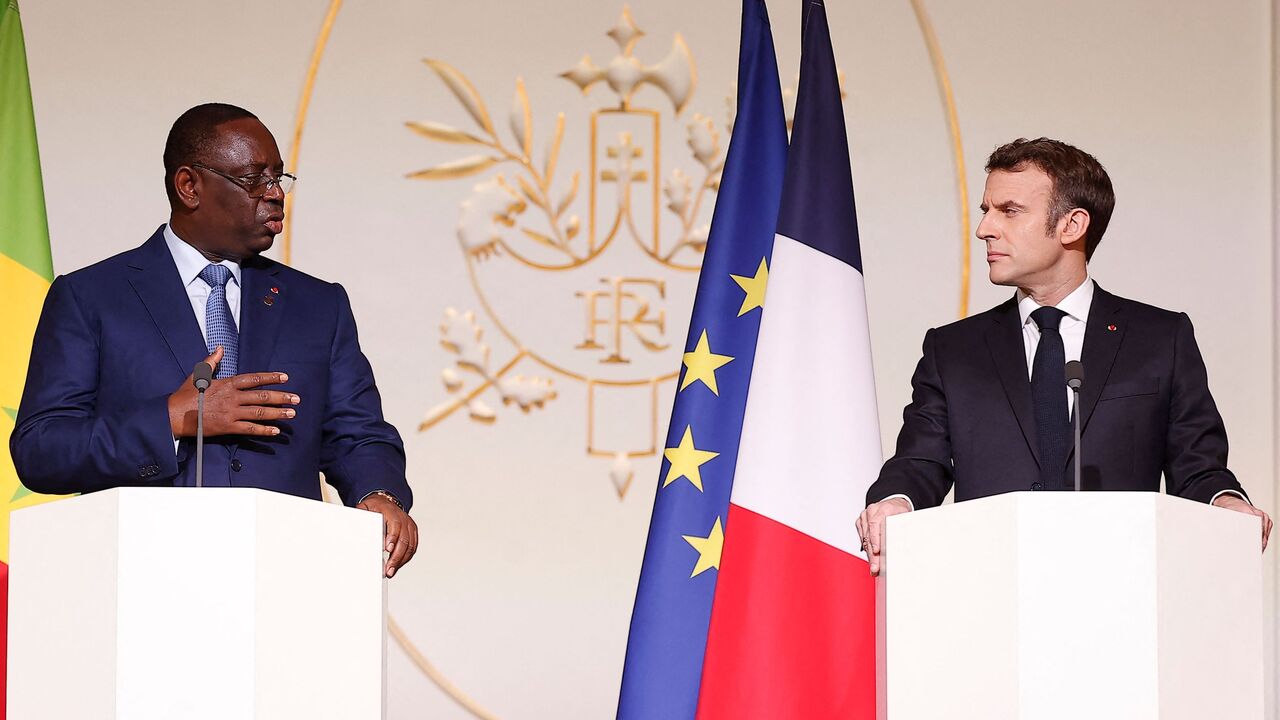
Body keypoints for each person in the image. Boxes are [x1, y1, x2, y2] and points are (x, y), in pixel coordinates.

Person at [11, 103, 418, 577]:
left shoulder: (318, 305)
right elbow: (43, 450)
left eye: (279, 178)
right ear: (189, 186)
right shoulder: (91, 297)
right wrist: (172, 419)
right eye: (252, 179)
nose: (274, 194)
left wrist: (380, 494)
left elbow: (359, 434)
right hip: (141, 580)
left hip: (285, 582)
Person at [856, 137, 1271, 575]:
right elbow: (920, 462)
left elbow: (1198, 467)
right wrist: (893, 502)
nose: (985, 229)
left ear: (1072, 226)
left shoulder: (1160, 340)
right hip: (988, 597)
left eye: (1009, 211)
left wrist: (1227, 503)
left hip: (1121, 596)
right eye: (986, 211)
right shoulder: (953, 350)